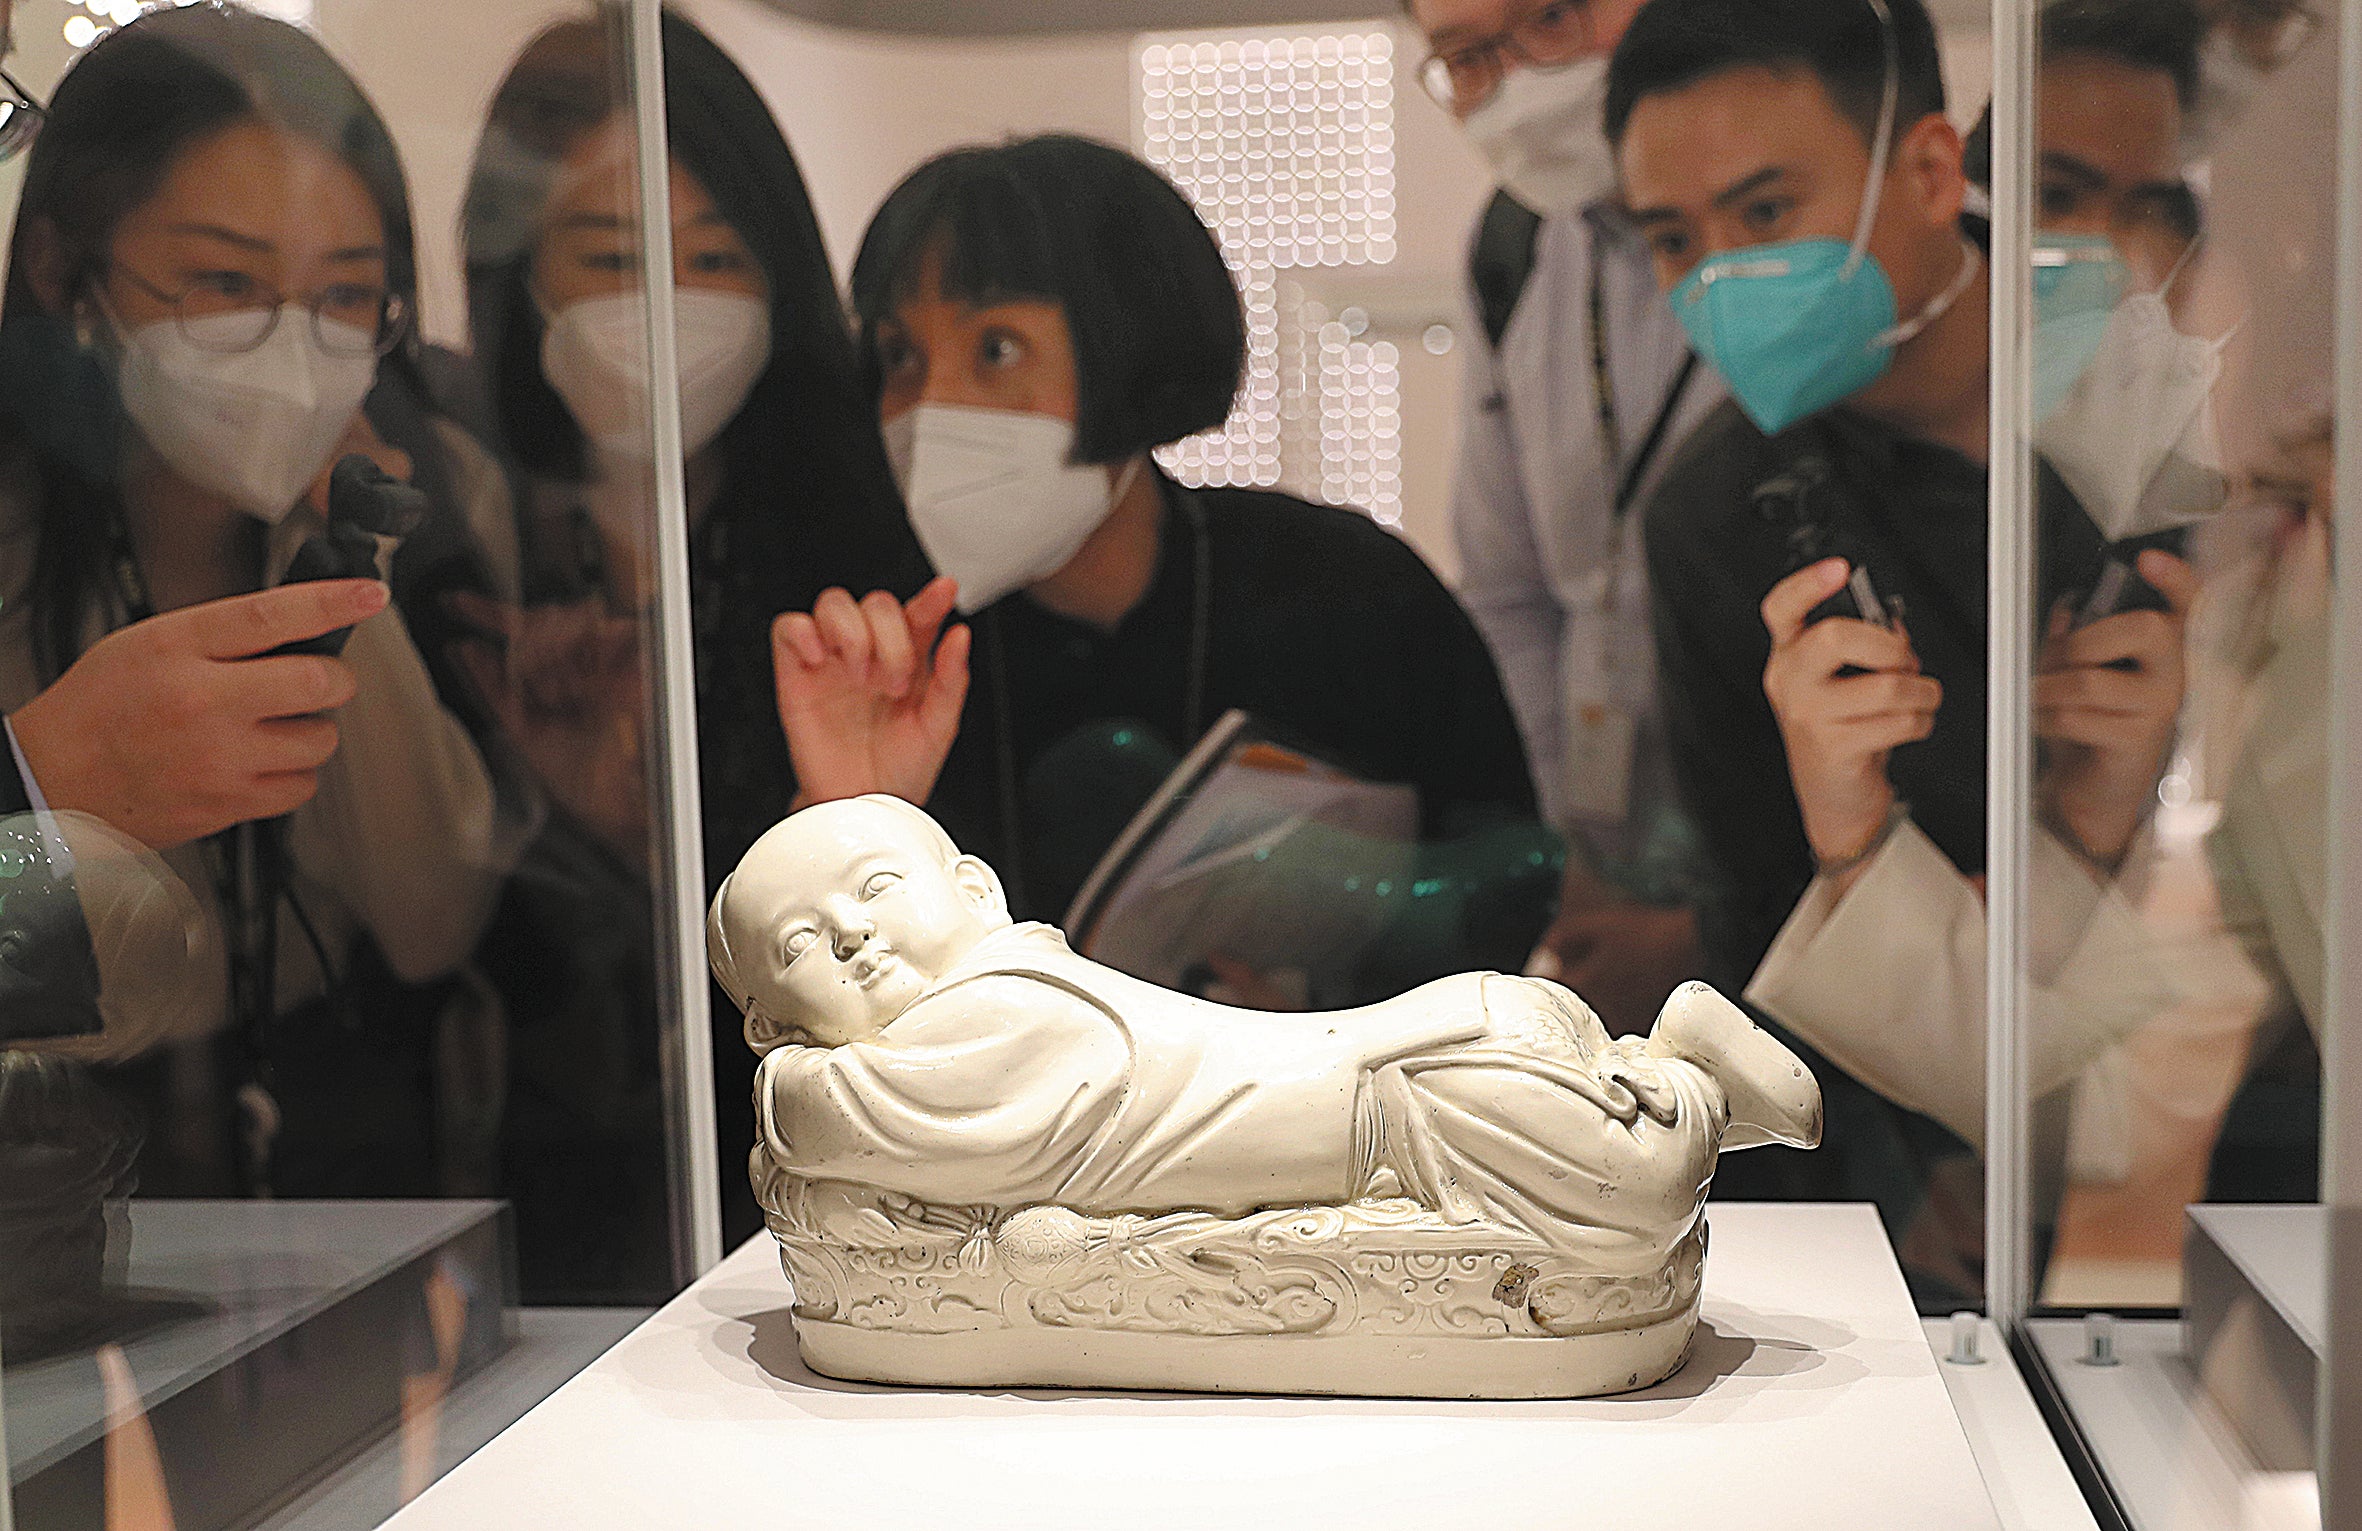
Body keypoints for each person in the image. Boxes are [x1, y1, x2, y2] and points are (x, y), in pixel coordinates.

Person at [1605, 0, 2193, 1297]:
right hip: (1923, 1205)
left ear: (1929, 171)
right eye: (1669, 237)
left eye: (1763, 213)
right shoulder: (1711, 518)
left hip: (2239, 1138)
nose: (1716, 276)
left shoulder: (2157, 391)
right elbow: (1754, 930)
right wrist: (1895, 1184)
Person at [775, 136, 1538, 961]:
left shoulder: (1343, 590)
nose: (931, 406)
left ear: (1125, 345)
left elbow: (1511, 888)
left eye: (995, 349)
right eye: (900, 357)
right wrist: (841, 818)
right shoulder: (874, 665)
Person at [0, 4, 524, 1197]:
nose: (294, 351)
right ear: (64, 273)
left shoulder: (441, 495)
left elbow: (429, 917)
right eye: (223, 283)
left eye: (346, 299)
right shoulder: (19, 534)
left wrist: (342, 557)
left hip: (344, 1187)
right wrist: (50, 786)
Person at [457, 9, 923, 1276]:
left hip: (835, 1207)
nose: (664, 305)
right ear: (521, 281)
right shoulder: (466, 549)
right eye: (609, 257)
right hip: (536, 1223)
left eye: (716, 259)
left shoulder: (862, 561)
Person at [708, 795, 1820, 1276]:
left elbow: (822, 1116)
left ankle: (1687, 1070)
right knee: (1618, 1201)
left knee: (1634, 1203)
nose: (851, 932)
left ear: (977, 893)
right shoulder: (984, 1012)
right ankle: (1652, 1068)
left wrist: (783, 1077)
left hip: (1406, 1096)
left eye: (876, 888)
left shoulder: (999, 1016)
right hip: (1412, 1077)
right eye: (801, 941)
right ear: (767, 1017)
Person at [1406, 0, 1727, 1035]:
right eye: (1463, 58)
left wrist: (1719, 926)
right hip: (1607, 883)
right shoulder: (1515, 253)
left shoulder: (1799, 240)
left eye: (1547, 21)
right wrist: (1571, 863)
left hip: (1821, 898)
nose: (1514, 86)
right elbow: (1510, 593)